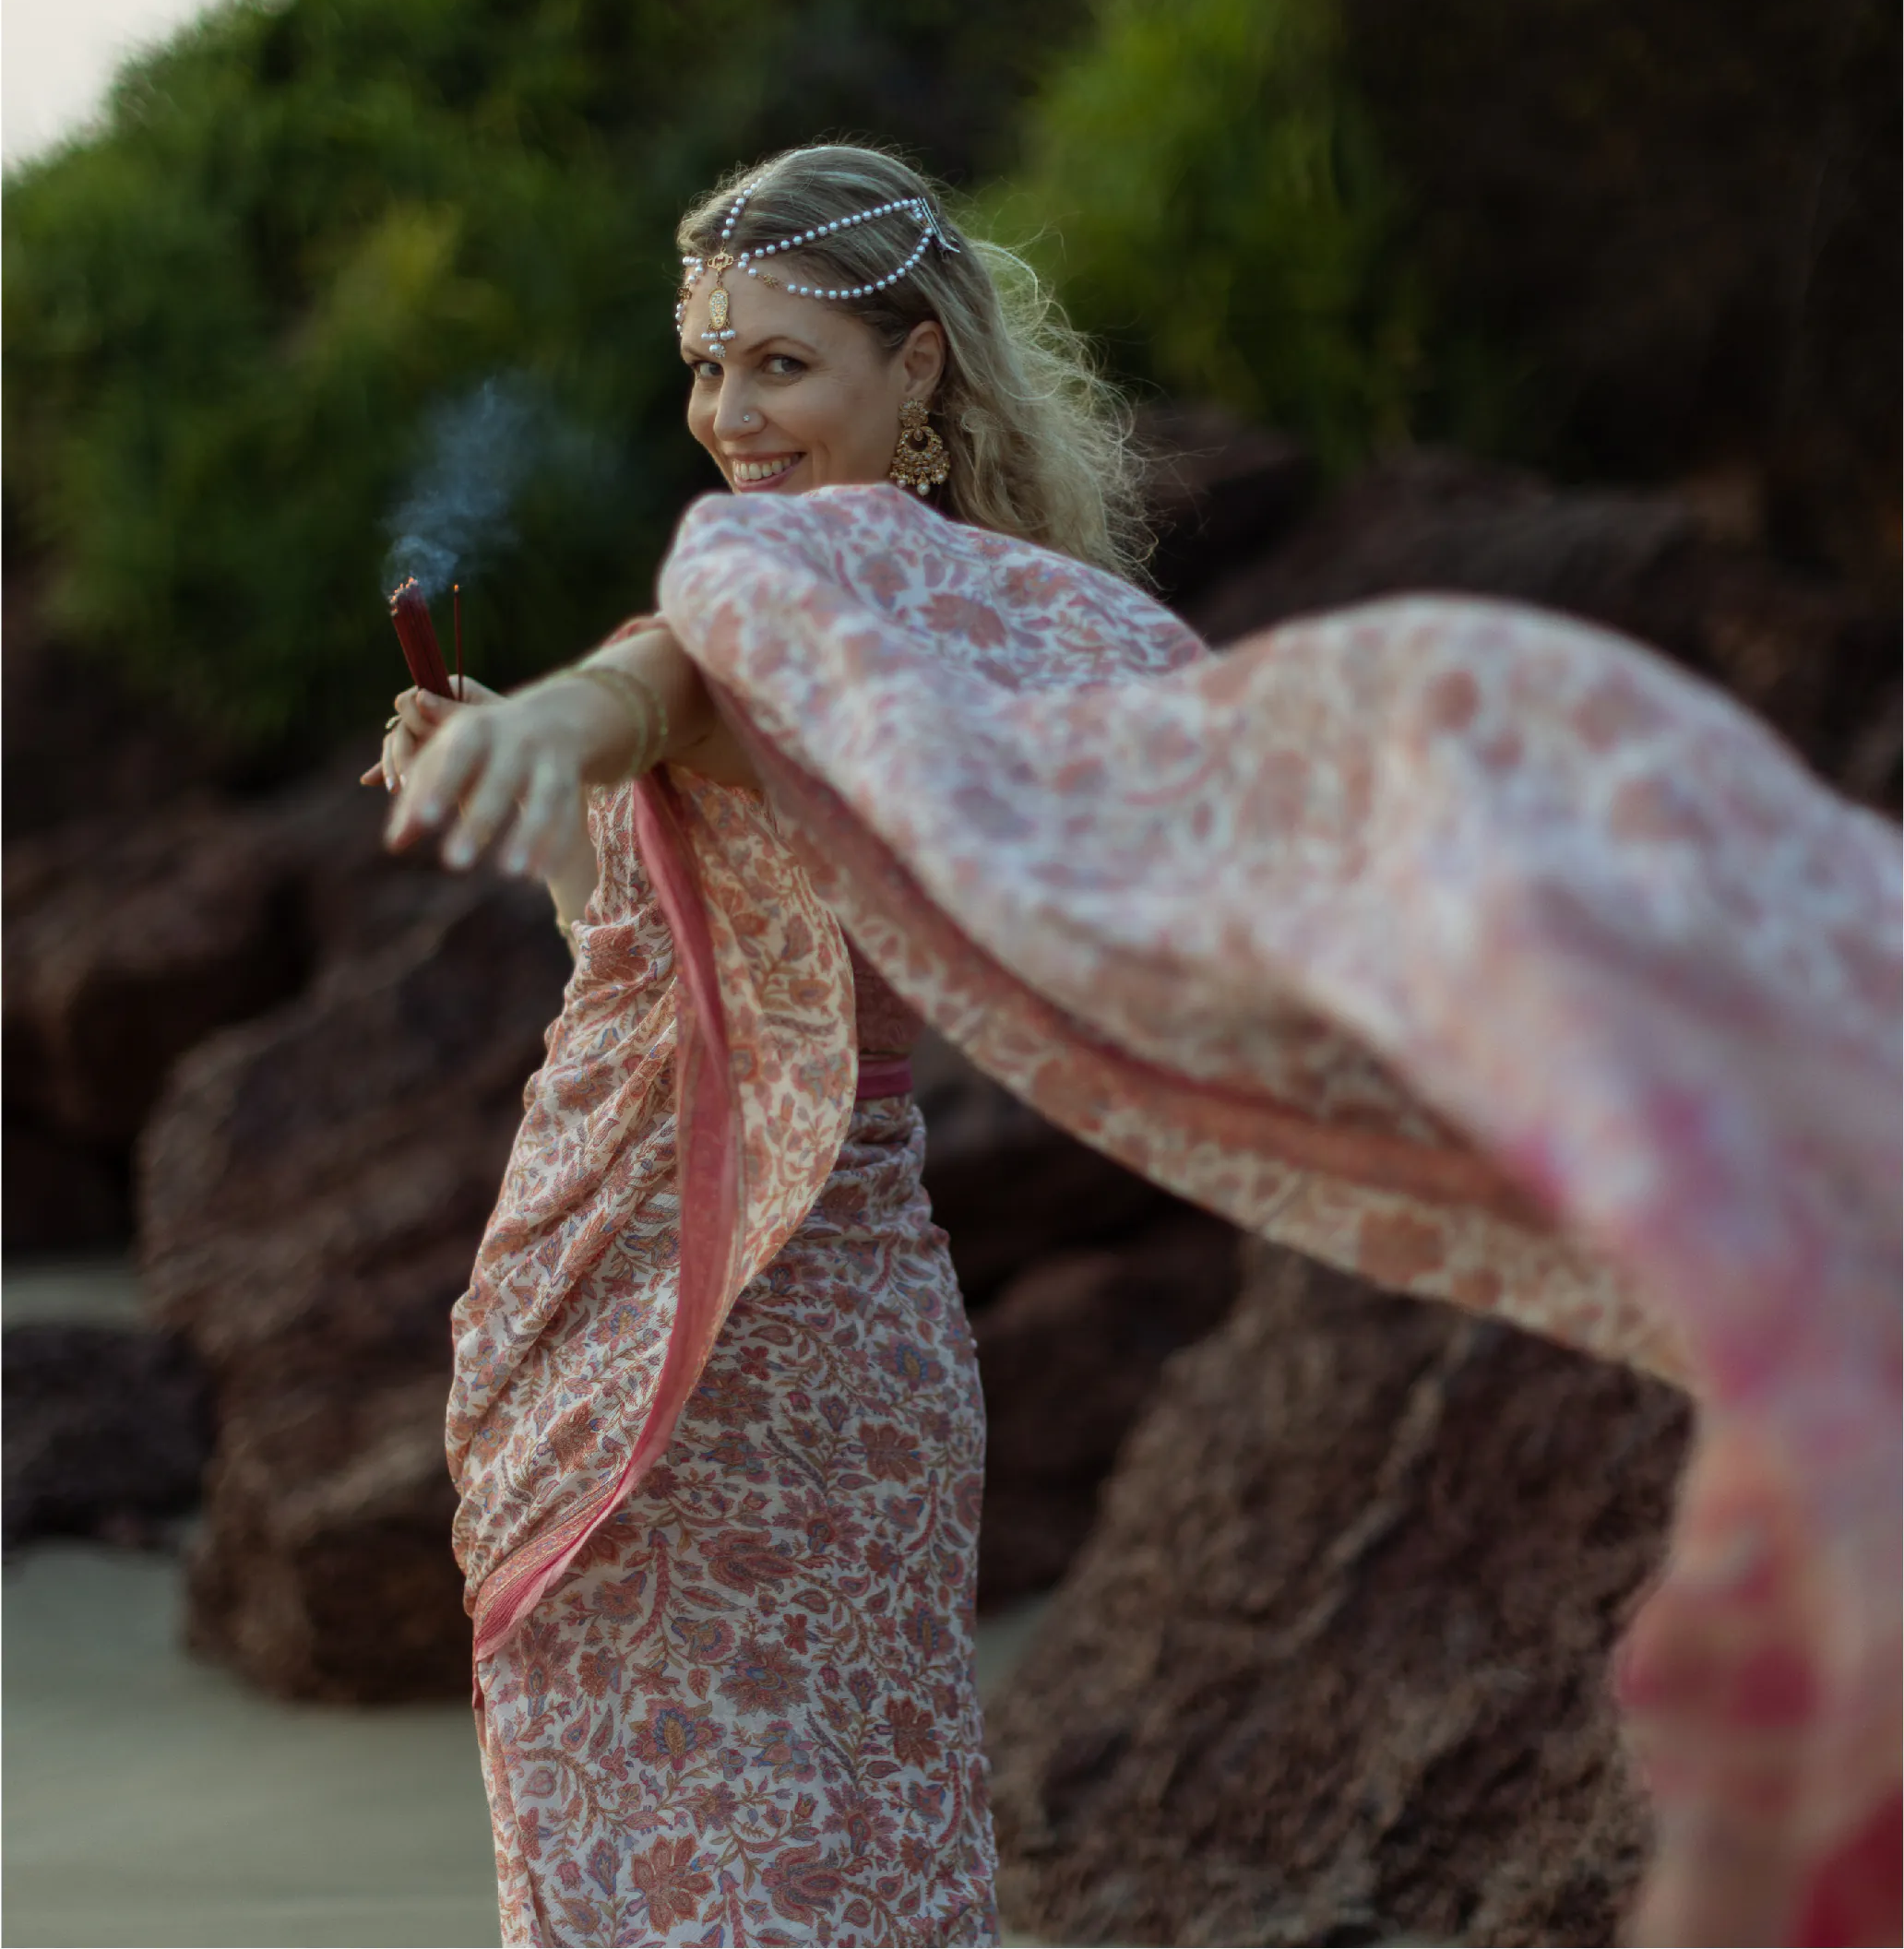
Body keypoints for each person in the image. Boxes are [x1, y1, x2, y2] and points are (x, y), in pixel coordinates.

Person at [378, 143, 1899, 1949]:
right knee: (794, 1866)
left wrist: (572, 710)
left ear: (917, 370)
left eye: (782, 362)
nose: (733, 414)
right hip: (673, 1313)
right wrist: (547, 794)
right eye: (709, 368)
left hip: (751, 1358)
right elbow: (674, 947)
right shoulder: (970, 633)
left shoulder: (801, 596)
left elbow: (675, 680)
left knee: (716, 1878)